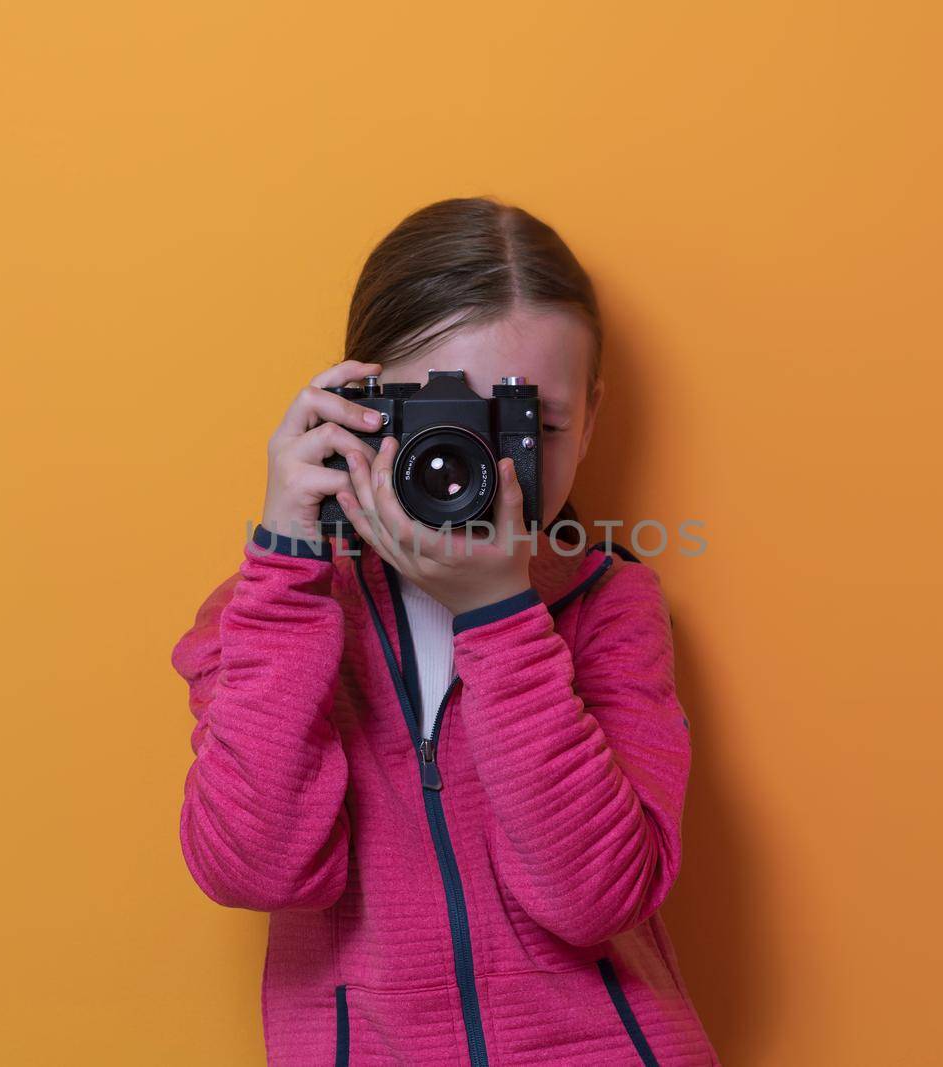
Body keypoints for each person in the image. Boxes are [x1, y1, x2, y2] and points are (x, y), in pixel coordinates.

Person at [171, 196, 719, 1065]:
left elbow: (598, 898)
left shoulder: (613, 604)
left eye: (532, 424)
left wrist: (498, 615)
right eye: (449, 423)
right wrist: (286, 559)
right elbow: (252, 867)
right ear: (359, 404)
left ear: (594, 415)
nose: (488, 465)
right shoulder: (267, 611)